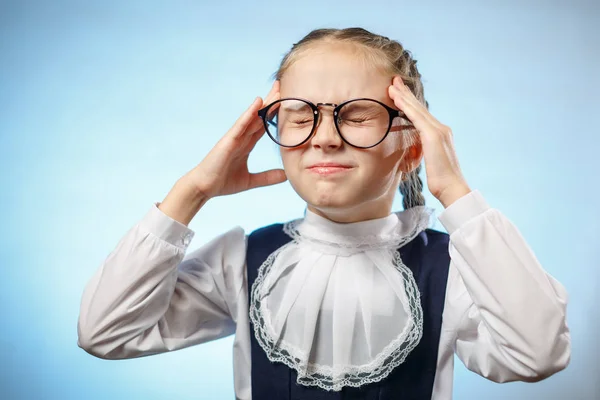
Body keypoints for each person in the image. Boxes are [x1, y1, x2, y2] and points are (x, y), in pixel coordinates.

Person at [77, 27, 571, 400]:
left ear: (412, 147)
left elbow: (538, 353)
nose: (325, 136)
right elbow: (105, 333)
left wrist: (457, 194)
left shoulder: (456, 269)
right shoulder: (244, 260)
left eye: (356, 116)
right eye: (299, 115)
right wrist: (192, 191)